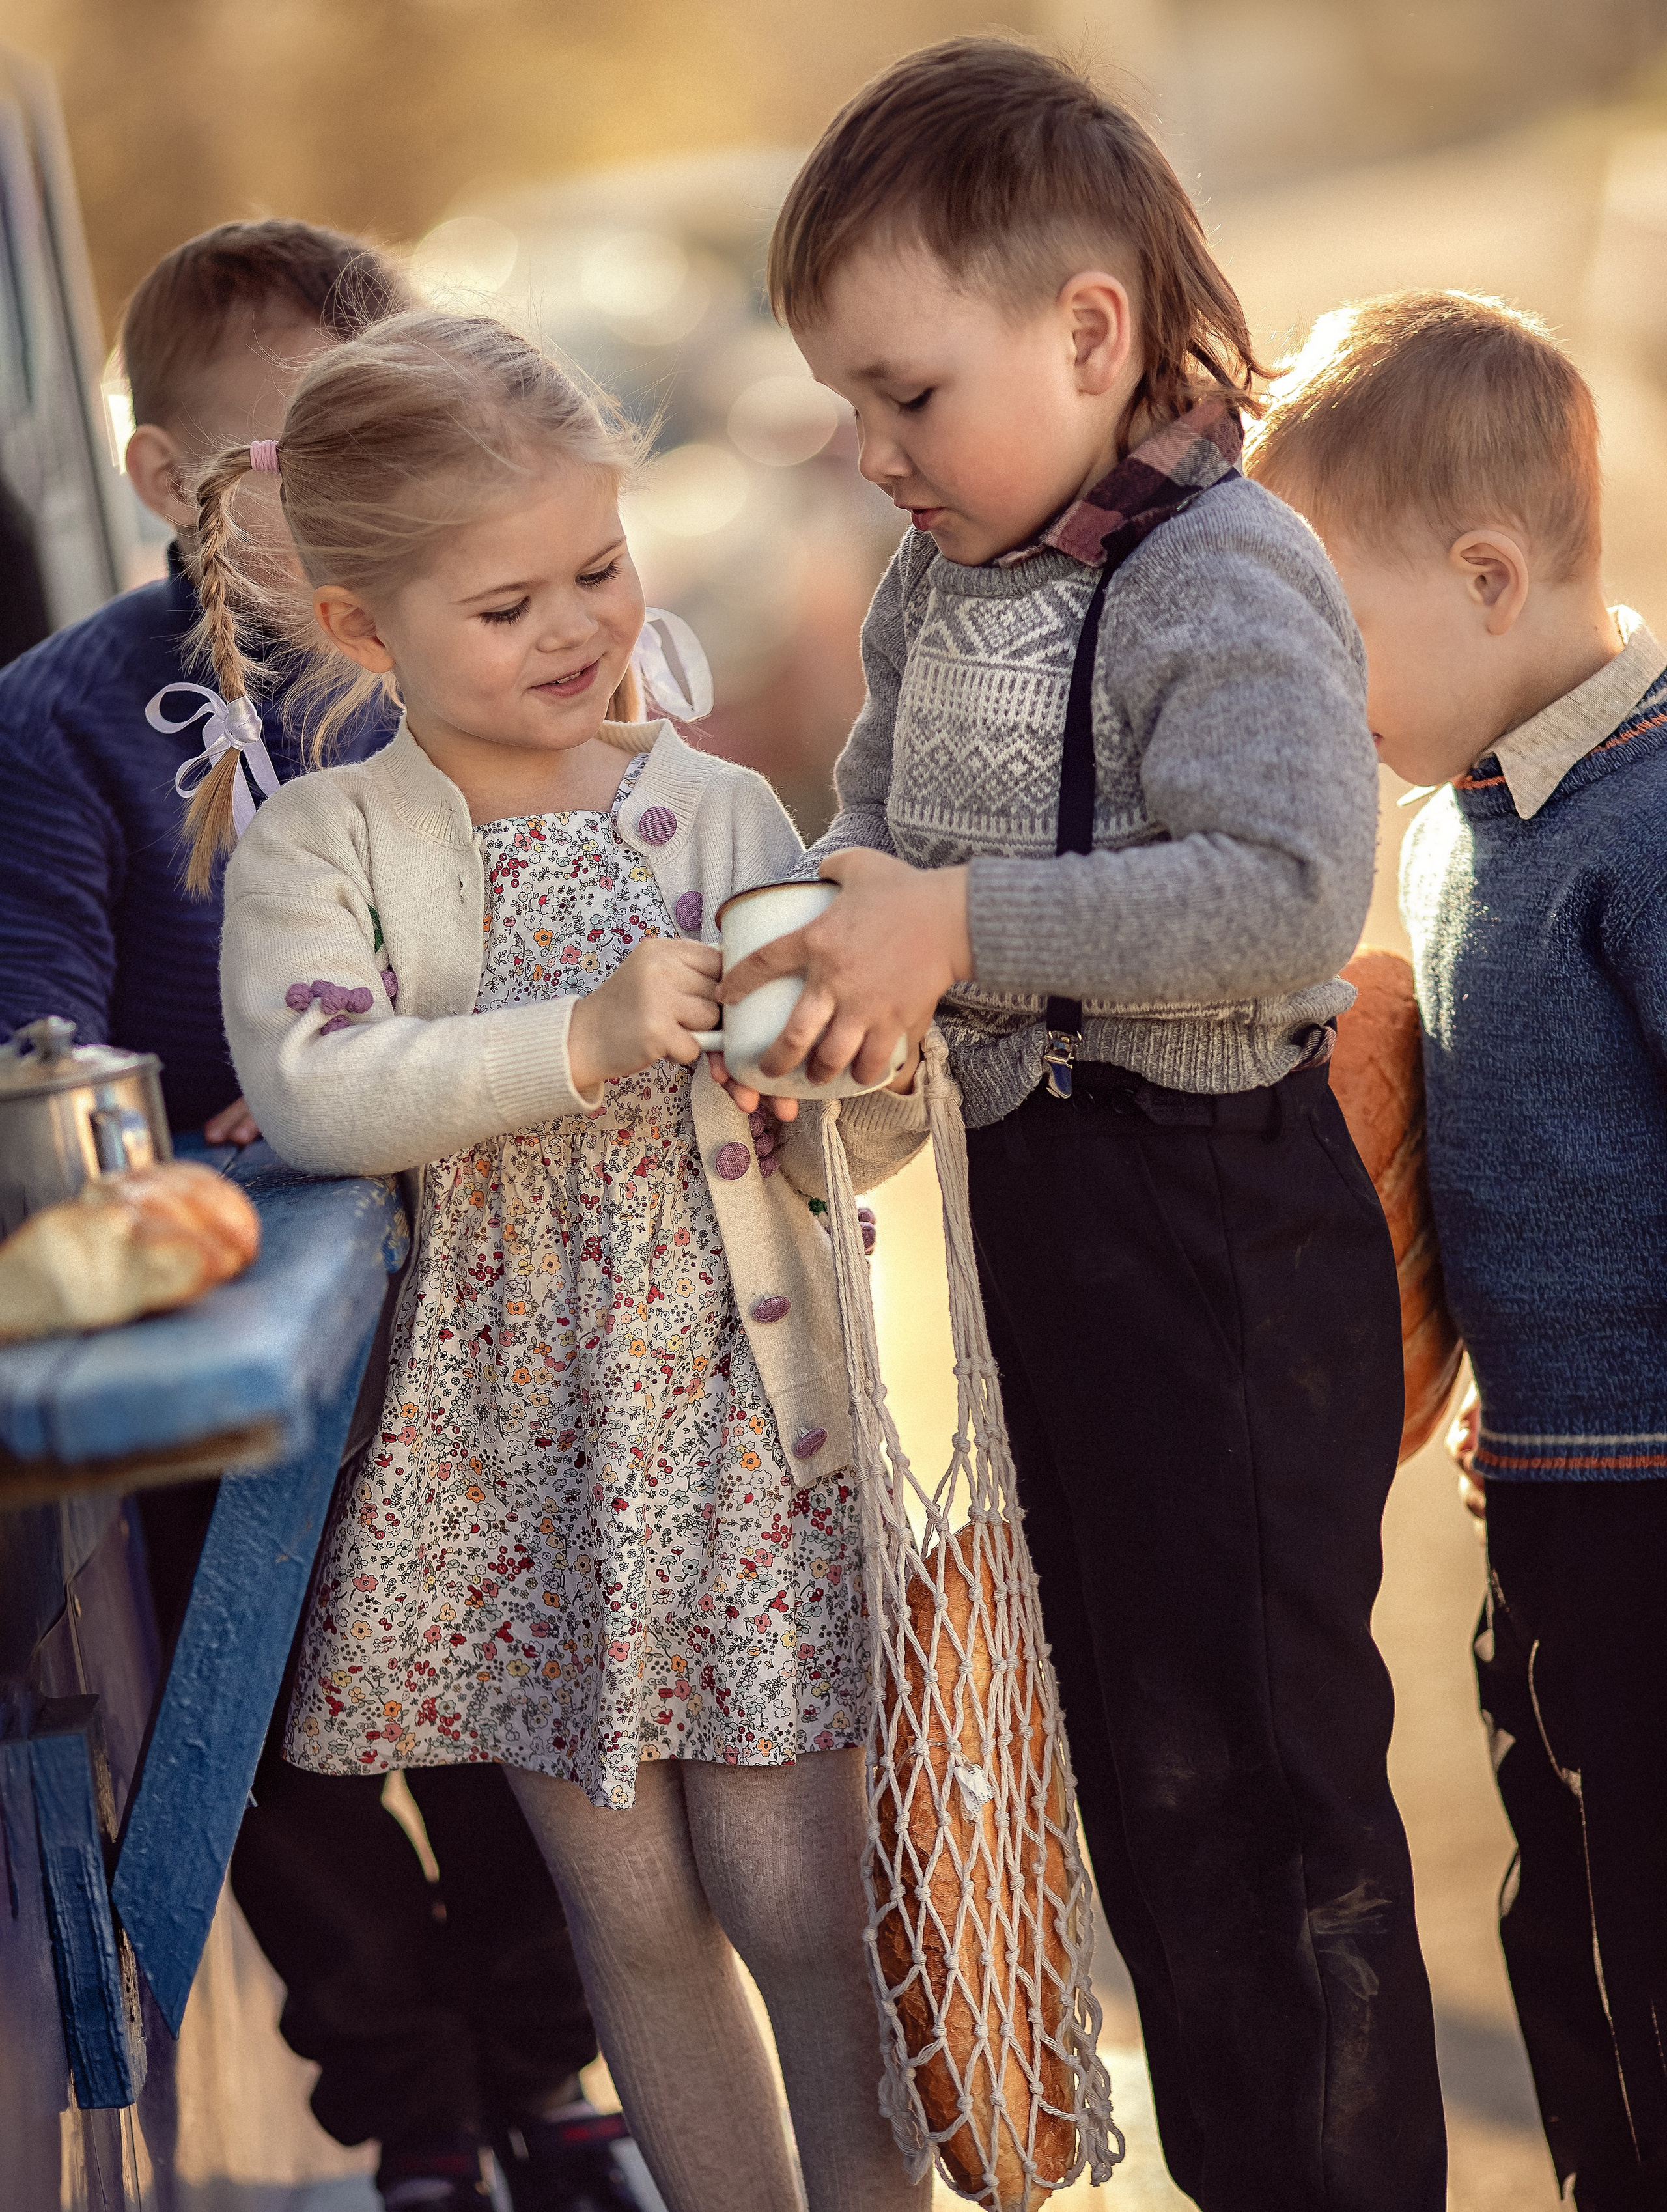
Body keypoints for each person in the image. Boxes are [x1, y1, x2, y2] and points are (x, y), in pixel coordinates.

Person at [714, 38, 1449, 2209]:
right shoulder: (949, 585)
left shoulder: (1223, 572)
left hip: (1219, 1238)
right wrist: (831, 942)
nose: (868, 454)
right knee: (1148, 1784)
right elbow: (879, 826)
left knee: (1268, 1801)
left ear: (1090, 331)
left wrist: (959, 929)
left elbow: (1281, 896)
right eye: (845, 405)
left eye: (906, 396)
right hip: (1043, 1235)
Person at [204, 304, 932, 2212]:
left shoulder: (714, 812)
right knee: (628, 1907)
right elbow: (316, 1088)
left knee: (794, 1890)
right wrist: (584, 1038)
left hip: (735, 1426)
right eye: (508, 603)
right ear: (365, 632)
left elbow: (850, 1108)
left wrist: (854, 1058)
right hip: (507, 1452)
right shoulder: (326, 847)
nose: (578, 631)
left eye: (600, 572)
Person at [0, 221, 623, 2212]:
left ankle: (557, 2072)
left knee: (524, 1707)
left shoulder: (457, 674)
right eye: (302, 456)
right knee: (273, 1746)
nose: (367, 496)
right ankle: (417, 2114)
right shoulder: (63, 722)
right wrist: (176, 1133)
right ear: (166, 481)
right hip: (249, 1324)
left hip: (485, 1304)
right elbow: (42, 1034)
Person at [1249, 288, 1667, 2211]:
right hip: (1548, 1502)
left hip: (1661, 1500)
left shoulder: (1645, 826)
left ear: (1489, 574)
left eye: (1321, 635)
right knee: (1562, 1927)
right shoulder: (1457, 816)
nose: (1303, 691)